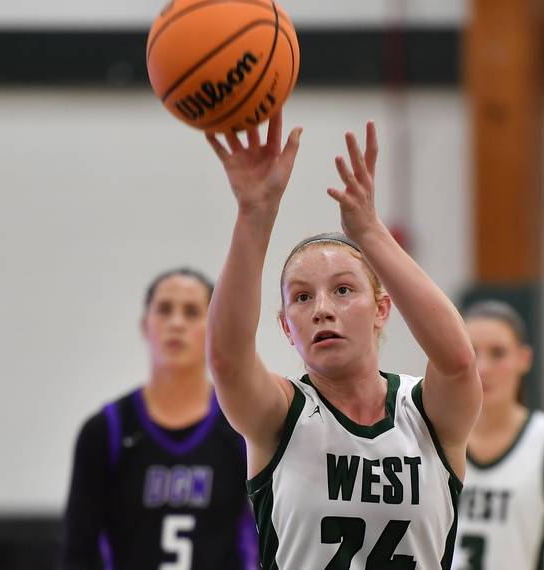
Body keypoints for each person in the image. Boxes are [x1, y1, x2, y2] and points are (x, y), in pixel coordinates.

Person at [204, 113, 482, 569]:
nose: (322, 309)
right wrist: (256, 213)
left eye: (343, 289)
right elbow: (228, 360)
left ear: (381, 309)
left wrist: (370, 234)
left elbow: (457, 361)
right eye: (302, 297)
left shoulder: (426, 414)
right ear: (285, 327)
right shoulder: (281, 415)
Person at [60, 268, 257, 570]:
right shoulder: (105, 431)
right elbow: (78, 552)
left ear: (213, 328)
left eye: (191, 312)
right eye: (164, 310)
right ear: (144, 325)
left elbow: (268, 543)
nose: (176, 323)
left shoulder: (241, 427)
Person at [451, 300, 544, 570]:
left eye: (498, 353)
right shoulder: (433, 433)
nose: (483, 368)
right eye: (472, 353)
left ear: (524, 359)